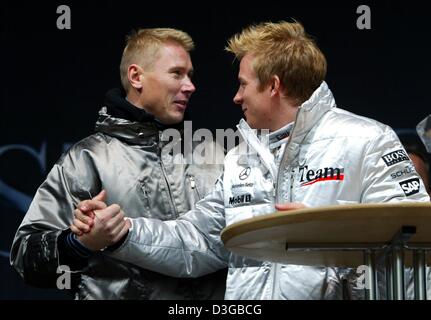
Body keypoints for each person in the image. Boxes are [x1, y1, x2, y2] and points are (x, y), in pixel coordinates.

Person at [71, 21, 430, 299]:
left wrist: (326, 239)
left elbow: (415, 246)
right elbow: (196, 242)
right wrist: (122, 232)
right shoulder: (240, 159)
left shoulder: (367, 139)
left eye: (243, 85)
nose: (235, 97)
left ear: (273, 86)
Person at [10, 28, 227, 299]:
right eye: (177, 73)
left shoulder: (214, 152)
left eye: (190, 75)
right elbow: (24, 257)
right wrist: (79, 243)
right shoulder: (87, 159)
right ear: (136, 76)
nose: (190, 86)